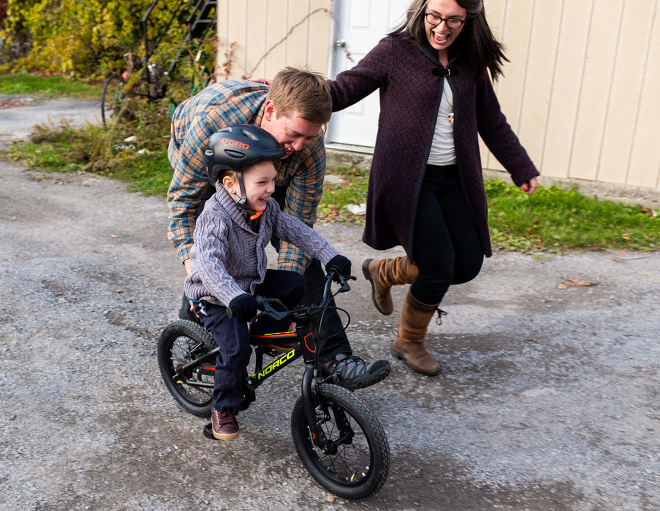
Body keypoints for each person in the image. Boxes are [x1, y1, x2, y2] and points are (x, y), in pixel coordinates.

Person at [329, 0, 540, 375]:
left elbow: (491, 120)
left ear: (468, 20)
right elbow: (344, 89)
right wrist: (293, 97)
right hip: (408, 181)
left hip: (455, 178)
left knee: (467, 264)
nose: (442, 27)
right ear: (421, 11)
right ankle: (408, 341)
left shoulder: (470, 59)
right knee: (439, 265)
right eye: (435, 17)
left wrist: (520, 165)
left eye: (454, 20)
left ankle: (386, 271)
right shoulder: (395, 51)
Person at [168, 67, 390, 390]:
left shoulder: (306, 151)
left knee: (305, 257)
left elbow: (297, 233)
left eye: (309, 137)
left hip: (270, 172)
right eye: (293, 135)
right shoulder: (213, 123)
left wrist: (280, 317)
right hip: (208, 159)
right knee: (213, 246)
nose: (299, 146)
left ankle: (335, 359)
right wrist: (203, 278)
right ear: (270, 111)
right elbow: (183, 207)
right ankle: (196, 344)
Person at [185, 124, 353, 440]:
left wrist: (330, 256)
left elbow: (297, 230)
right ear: (230, 184)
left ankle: (265, 332)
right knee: (235, 351)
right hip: (215, 295)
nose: (271, 188)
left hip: (250, 283)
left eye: (273, 180)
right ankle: (222, 407)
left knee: (294, 283)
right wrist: (233, 296)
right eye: (262, 182)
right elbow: (207, 264)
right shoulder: (214, 216)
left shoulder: (265, 208)